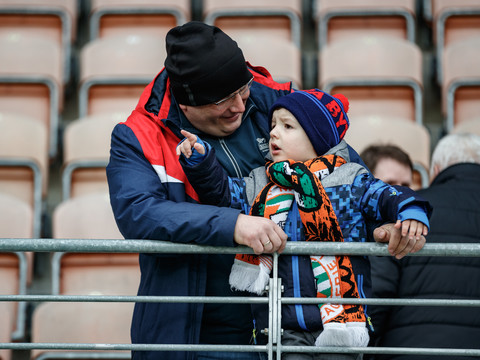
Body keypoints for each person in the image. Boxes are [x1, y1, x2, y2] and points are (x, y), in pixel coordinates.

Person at [106, 21, 426, 360]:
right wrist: (234, 224)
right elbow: (139, 213)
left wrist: (380, 220)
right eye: (222, 100)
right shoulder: (137, 135)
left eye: (242, 90)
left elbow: (345, 174)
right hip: (197, 332)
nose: (240, 106)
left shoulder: (279, 100)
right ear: (185, 105)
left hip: (287, 325)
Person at [177, 89, 432, 359]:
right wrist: (202, 162)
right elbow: (224, 194)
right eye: (273, 125)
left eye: (287, 126)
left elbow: (387, 196)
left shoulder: (350, 179)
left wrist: (412, 211)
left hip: (342, 322)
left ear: (316, 137)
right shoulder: (260, 181)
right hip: (282, 326)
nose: (274, 133)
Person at [368, 133, 480, 360]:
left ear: (435, 171)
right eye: (389, 185)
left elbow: (377, 295)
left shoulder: (407, 215)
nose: (398, 193)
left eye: (406, 185)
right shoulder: (407, 213)